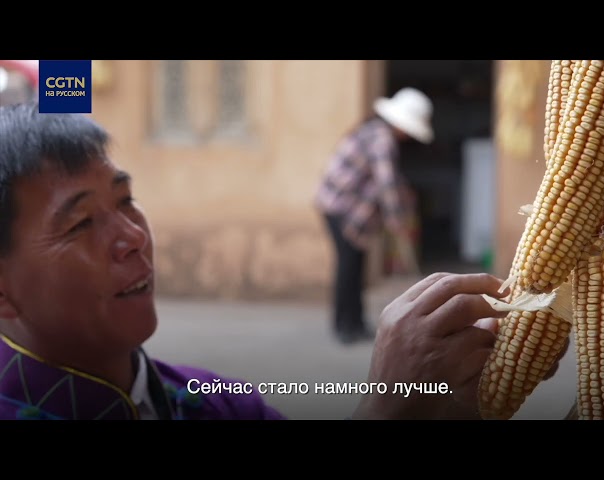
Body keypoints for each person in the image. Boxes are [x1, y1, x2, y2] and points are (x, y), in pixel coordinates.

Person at [0, 101, 559, 420]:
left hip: (350, 213)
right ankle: (348, 325)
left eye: (126, 200)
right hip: (344, 213)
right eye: (79, 223)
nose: (131, 237)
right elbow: (388, 190)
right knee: (345, 273)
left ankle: (351, 323)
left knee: (348, 274)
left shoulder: (217, 402)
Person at [315, 87, 434, 345]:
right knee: (348, 266)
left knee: (356, 263)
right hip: (340, 207)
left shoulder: (376, 132)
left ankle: (355, 322)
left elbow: (391, 183)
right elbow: (386, 183)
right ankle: (344, 326)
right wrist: (397, 221)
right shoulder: (381, 138)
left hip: (345, 207)